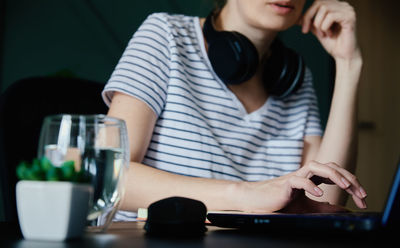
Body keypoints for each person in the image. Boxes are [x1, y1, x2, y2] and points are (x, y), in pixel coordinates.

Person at [101, 0, 366, 219]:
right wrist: (245, 194)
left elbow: (326, 200)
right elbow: (107, 175)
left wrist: (348, 64)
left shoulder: (295, 78)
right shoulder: (166, 35)